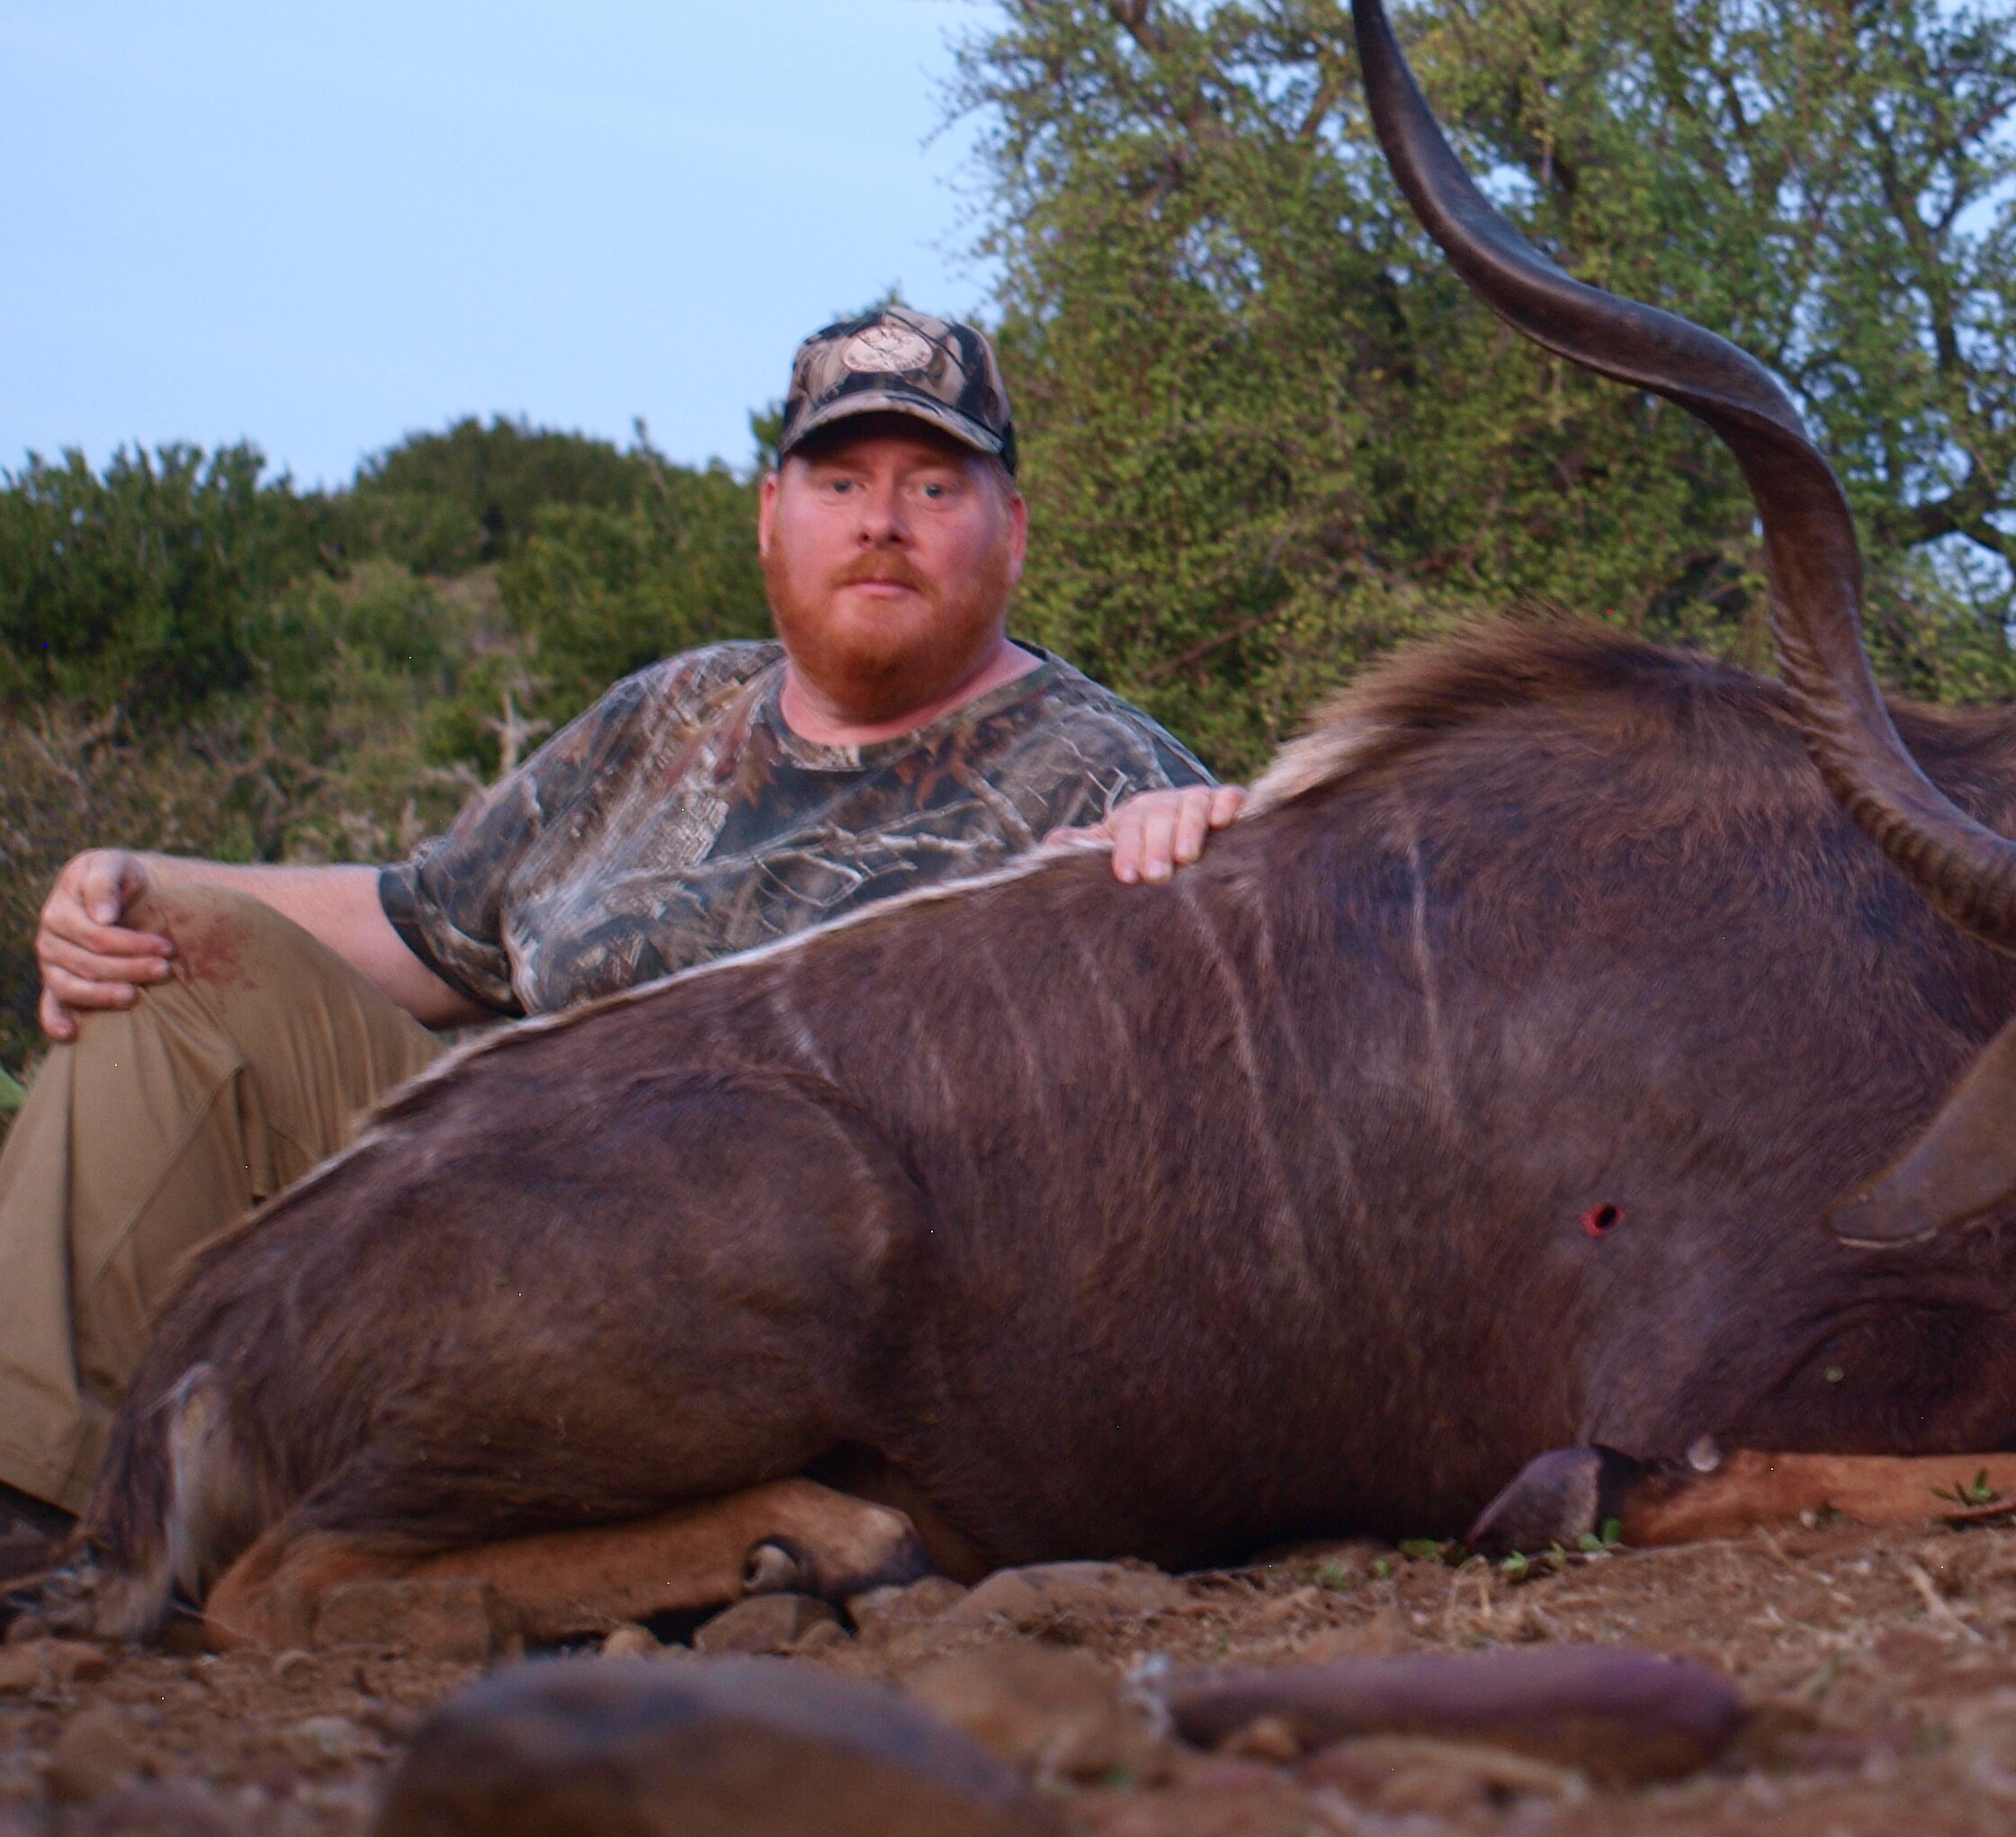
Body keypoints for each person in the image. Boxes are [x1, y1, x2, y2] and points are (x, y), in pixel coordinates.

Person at [0, 305, 1246, 1543]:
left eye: (933, 485)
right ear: (772, 517)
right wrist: (133, 877)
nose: (881, 522)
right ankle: (36, 1515)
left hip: (738, 1319)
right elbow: (422, 925)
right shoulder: (667, 714)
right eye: (841, 480)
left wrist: (1203, 865)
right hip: (480, 1219)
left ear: (1011, 533)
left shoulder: (1111, 782)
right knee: (158, 957)